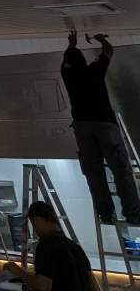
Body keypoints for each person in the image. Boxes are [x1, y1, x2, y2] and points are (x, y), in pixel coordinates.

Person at [60, 31, 140, 225]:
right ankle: (132, 213)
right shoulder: (93, 71)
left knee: (93, 172)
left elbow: (67, 57)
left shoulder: (67, 74)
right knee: (120, 169)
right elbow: (108, 52)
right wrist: (101, 39)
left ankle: (105, 213)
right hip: (104, 124)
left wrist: (71, 44)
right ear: (83, 61)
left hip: (81, 127)